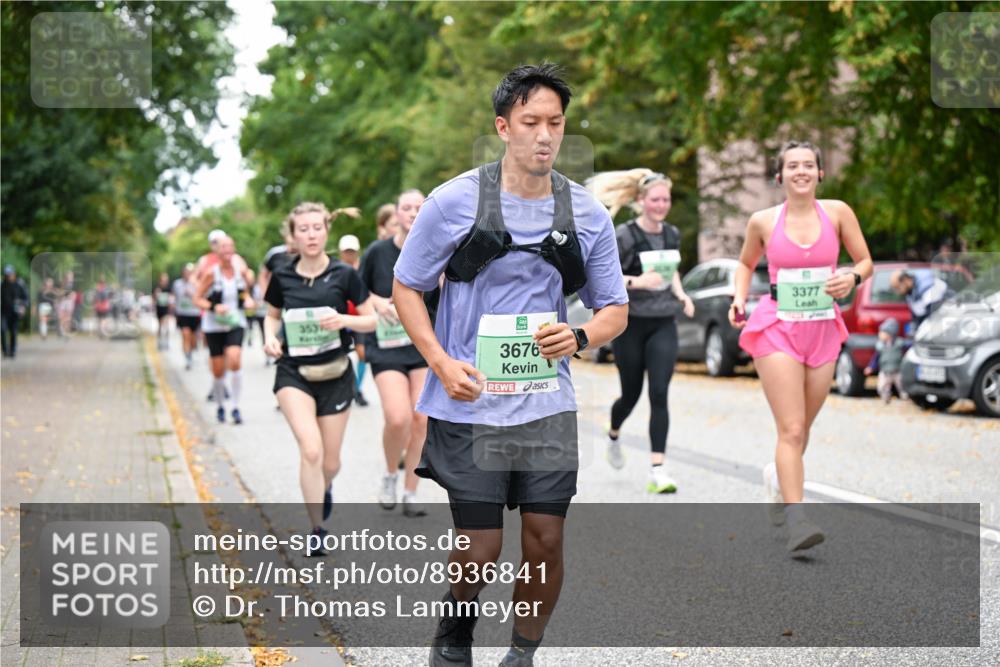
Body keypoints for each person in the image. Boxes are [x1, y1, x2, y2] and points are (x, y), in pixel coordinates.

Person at [393, 63, 628, 667]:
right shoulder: (453, 202)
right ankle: (455, 633)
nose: (545, 135)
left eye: (555, 122)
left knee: (545, 543)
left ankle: (522, 653)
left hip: (545, 406)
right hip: (469, 402)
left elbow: (614, 309)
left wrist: (576, 335)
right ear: (503, 127)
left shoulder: (586, 213)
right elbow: (406, 287)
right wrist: (441, 362)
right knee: (480, 549)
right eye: (531, 122)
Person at [729, 140, 872, 555]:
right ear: (780, 176)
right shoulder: (763, 220)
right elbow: (744, 264)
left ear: (820, 173)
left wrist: (852, 278)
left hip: (823, 327)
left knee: (803, 427)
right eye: (792, 166)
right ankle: (798, 520)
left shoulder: (839, 212)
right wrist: (740, 297)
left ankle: (777, 477)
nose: (801, 171)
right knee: (790, 428)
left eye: (808, 164)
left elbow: (865, 261)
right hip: (777, 327)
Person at [263, 202, 377, 552]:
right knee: (310, 450)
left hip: (335, 372)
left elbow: (371, 320)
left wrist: (344, 320)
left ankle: (324, 487)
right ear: (293, 237)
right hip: (294, 373)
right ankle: (317, 530)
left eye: (316, 228)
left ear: (326, 231)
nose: (311, 235)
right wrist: (270, 338)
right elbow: (270, 315)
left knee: (330, 462)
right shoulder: (282, 275)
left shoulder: (345, 275)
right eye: (303, 229)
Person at [587, 169, 695, 491]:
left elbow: (670, 269)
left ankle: (658, 471)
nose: (661, 205)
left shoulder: (672, 234)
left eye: (666, 199)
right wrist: (636, 281)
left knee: (659, 393)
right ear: (640, 201)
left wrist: (681, 293)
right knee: (631, 395)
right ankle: (614, 430)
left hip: (663, 322)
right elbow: (602, 276)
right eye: (655, 199)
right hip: (630, 324)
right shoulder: (624, 235)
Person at [361, 189, 439, 517]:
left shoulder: (437, 250)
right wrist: (377, 302)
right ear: (396, 213)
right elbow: (357, 292)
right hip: (387, 346)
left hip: (422, 345)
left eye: (419, 207)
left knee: (421, 418)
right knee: (398, 417)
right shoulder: (377, 252)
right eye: (406, 207)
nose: (412, 212)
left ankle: (410, 491)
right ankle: (390, 473)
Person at [194, 235, 255, 424]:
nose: (227, 251)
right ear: (217, 252)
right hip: (214, 325)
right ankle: (221, 405)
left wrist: (248, 299)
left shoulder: (239, 272)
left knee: (235, 359)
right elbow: (198, 298)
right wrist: (213, 307)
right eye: (223, 247)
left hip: (235, 322)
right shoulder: (211, 273)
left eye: (230, 247)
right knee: (218, 370)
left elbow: (244, 290)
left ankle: (235, 407)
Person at [338, 233, 369, 406]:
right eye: (346, 251)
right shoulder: (334, 270)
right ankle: (349, 387)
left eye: (352, 251)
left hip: (359, 318)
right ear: (341, 252)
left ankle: (357, 388)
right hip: (340, 318)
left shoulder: (362, 269)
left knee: (363, 354)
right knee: (342, 355)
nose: (349, 254)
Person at [864, 317, 908, 404]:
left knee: (902, 385)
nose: (879, 334)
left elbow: (908, 347)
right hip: (885, 371)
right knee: (882, 386)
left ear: (890, 334)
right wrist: (870, 367)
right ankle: (886, 397)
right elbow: (875, 359)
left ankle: (906, 397)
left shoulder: (899, 343)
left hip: (897, 370)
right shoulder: (880, 346)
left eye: (882, 332)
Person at [172, 263, 201, 370]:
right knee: (185, 335)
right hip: (182, 314)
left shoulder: (197, 283)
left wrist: (192, 294)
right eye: (186, 272)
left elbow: (201, 296)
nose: (187, 274)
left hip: (194, 314)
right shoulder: (177, 284)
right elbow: (174, 297)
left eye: (190, 272)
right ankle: (187, 358)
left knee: (193, 339)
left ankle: (191, 352)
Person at [1, 266, 29, 357]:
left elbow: (26, 299)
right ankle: (5, 351)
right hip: (3, 312)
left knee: (13, 331)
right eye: (6, 275)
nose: (8, 276)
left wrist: (22, 306)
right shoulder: (2, 285)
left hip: (15, 313)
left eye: (9, 274)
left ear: (14, 274)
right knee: (3, 330)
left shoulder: (19, 284)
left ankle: (12, 350)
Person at [153, 272, 172, 350]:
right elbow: (154, 299)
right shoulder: (157, 288)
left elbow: (171, 298)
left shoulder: (168, 288)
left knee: (166, 326)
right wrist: (156, 295)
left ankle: (166, 342)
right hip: (159, 309)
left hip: (166, 309)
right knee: (160, 326)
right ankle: (160, 342)